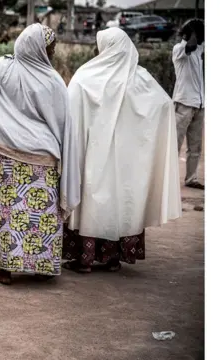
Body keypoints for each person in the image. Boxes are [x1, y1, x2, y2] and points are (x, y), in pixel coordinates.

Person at [62, 27, 182, 274]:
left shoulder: (86, 77)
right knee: (120, 203)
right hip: (126, 165)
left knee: (90, 202)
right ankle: (112, 258)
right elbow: (164, 104)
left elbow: (70, 117)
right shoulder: (141, 79)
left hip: (92, 159)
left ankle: (84, 260)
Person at [0, 24, 81, 285]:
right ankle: (41, 265)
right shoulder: (52, 80)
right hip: (44, 157)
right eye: (50, 47)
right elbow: (63, 123)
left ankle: (4, 270)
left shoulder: (2, 68)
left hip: (8, 155)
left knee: (8, 213)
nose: (52, 52)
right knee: (42, 213)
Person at [173, 19, 205, 190]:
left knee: (195, 146)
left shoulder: (199, 49)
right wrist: (192, 32)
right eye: (201, 34)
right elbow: (190, 46)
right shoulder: (179, 49)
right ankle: (169, 179)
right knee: (175, 144)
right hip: (184, 103)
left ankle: (191, 178)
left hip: (199, 104)